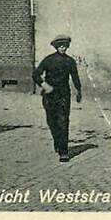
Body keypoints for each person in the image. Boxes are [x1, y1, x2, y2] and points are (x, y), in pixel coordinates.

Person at [33, 34, 83, 162]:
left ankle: (64, 151)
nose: (63, 48)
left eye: (65, 46)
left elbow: (75, 76)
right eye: (60, 46)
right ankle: (57, 140)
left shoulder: (70, 61)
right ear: (56, 47)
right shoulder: (48, 60)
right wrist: (44, 84)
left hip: (63, 94)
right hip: (49, 94)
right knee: (51, 121)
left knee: (63, 121)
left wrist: (78, 90)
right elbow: (36, 74)